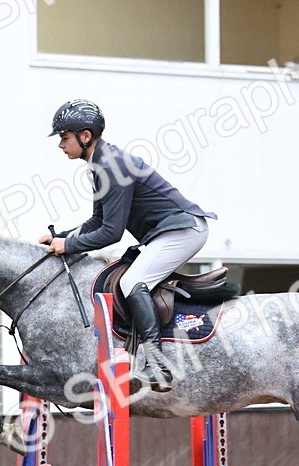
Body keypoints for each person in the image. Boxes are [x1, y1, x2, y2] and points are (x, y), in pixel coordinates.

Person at [39, 99, 215, 393]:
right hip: (167, 232)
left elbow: (111, 233)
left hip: (185, 230)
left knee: (133, 281)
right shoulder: (100, 164)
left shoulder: (111, 165)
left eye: (64, 137)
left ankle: (158, 366)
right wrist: (63, 237)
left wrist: (68, 246)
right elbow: (98, 220)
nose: (60, 144)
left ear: (85, 136)